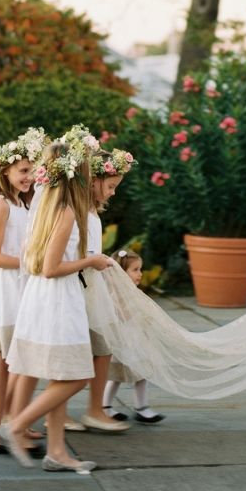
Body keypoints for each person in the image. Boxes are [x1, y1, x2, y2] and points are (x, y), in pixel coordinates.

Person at [0, 135, 114, 473]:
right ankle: (15, 426)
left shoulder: (46, 207)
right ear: (77, 177)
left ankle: (57, 452)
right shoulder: (65, 213)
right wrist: (91, 262)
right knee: (77, 377)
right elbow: (51, 268)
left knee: (59, 377)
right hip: (59, 301)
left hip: (45, 300)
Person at [0, 127, 46, 457]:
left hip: (22, 288)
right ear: (5, 170)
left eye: (33, 171)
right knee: (3, 361)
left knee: (14, 361)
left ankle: (6, 418)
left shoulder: (23, 204)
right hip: (6, 291)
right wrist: (29, 262)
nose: (29, 177)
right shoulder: (1, 204)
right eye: (23, 171)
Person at [78, 146, 136, 433]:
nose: (113, 193)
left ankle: (95, 408)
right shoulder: (78, 211)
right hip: (83, 287)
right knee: (87, 350)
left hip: (93, 285)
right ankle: (81, 410)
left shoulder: (90, 211)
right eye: (111, 186)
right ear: (94, 180)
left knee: (102, 348)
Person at [103, 248, 166, 424]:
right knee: (116, 377)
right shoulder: (114, 294)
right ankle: (105, 406)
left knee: (142, 373)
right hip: (121, 343)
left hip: (136, 341)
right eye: (135, 270)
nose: (140, 274)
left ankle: (141, 406)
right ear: (120, 273)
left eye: (140, 269)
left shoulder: (133, 292)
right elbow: (119, 316)